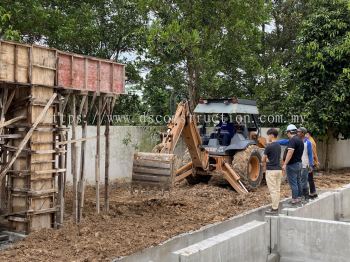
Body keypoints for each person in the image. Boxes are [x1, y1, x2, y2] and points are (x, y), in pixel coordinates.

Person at [281, 124, 304, 206]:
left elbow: (290, 152)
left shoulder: (292, 140)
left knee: (293, 182)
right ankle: (299, 197)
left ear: (289, 132)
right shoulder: (300, 140)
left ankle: (294, 199)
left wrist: (285, 164)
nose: (287, 134)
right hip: (299, 163)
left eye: (287, 132)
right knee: (298, 181)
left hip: (292, 165)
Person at [262, 128, 282, 214]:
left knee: (273, 190)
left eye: (268, 135)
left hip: (271, 171)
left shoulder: (268, 146)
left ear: (272, 135)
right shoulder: (279, 146)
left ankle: (274, 209)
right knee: (277, 190)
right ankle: (276, 206)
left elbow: (263, 159)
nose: (267, 137)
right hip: (278, 170)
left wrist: (266, 161)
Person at [297, 127, 313, 202]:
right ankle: (300, 196)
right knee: (298, 181)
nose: (297, 133)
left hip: (305, 164)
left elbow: (310, 154)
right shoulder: (296, 141)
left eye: (299, 132)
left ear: (303, 133)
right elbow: (286, 141)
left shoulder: (308, 142)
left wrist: (311, 165)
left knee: (304, 180)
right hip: (297, 164)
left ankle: (306, 196)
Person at [305, 131, 319, 198]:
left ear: (308, 134)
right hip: (310, 162)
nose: (304, 135)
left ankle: (312, 193)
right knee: (310, 178)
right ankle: (313, 192)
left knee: (309, 178)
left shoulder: (310, 142)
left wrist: (316, 161)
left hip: (309, 163)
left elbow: (313, 153)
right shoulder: (311, 140)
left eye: (305, 134)